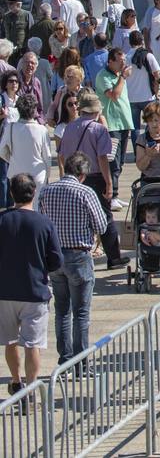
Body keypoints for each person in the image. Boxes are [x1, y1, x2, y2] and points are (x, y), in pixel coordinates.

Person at [37, 155, 105, 367]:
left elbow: (41, 220)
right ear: (82, 174)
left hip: (55, 258)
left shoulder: (47, 191)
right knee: (81, 312)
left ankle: (65, 359)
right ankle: (81, 362)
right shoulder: (86, 192)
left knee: (62, 310)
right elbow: (101, 225)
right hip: (79, 256)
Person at [0, 173, 61, 396]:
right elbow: (56, 260)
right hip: (35, 291)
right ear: (33, 193)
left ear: (10, 193)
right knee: (32, 344)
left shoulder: (2, 220)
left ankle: (16, 381)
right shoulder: (44, 223)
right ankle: (31, 388)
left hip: (5, 291)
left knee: (10, 341)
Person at [58, 93, 125, 269]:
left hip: (74, 176)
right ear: (96, 111)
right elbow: (103, 158)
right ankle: (114, 258)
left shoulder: (70, 127)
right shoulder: (99, 129)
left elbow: (63, 155)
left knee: (76, 215)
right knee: (105, 216)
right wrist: (109, 183)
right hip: (95, 177)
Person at [94, 48, 134, 200]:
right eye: (120, 61)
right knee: (113, 162)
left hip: (123, 123)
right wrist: (123, 77)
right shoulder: (103, 76)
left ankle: (114, 194)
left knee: (121, 161)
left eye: (124, 60)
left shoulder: (118, 75)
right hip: (111, 124)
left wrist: (121, 76)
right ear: (110, 61)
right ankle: (111, 195)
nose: (123, 64)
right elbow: (113, 96)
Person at [2, 94, 53, 201]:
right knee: (37, 208)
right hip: (38, 175)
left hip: (16, 174)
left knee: (18, 206)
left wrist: (12, 159)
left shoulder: (10, 127)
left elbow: (2, 150)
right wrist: (47, 174)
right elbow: (47, 156)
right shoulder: (42, 130)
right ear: (34, 110)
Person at [124, 32, 160, 129]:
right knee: (151, 125)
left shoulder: (126, 57)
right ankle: (150, 143)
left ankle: (137, 144)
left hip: (131, 97)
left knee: (135, 127)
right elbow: (157, 75)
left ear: (130, 42)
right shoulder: (149, 56)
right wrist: (156, 91)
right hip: (147, 96)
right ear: (142, 41)